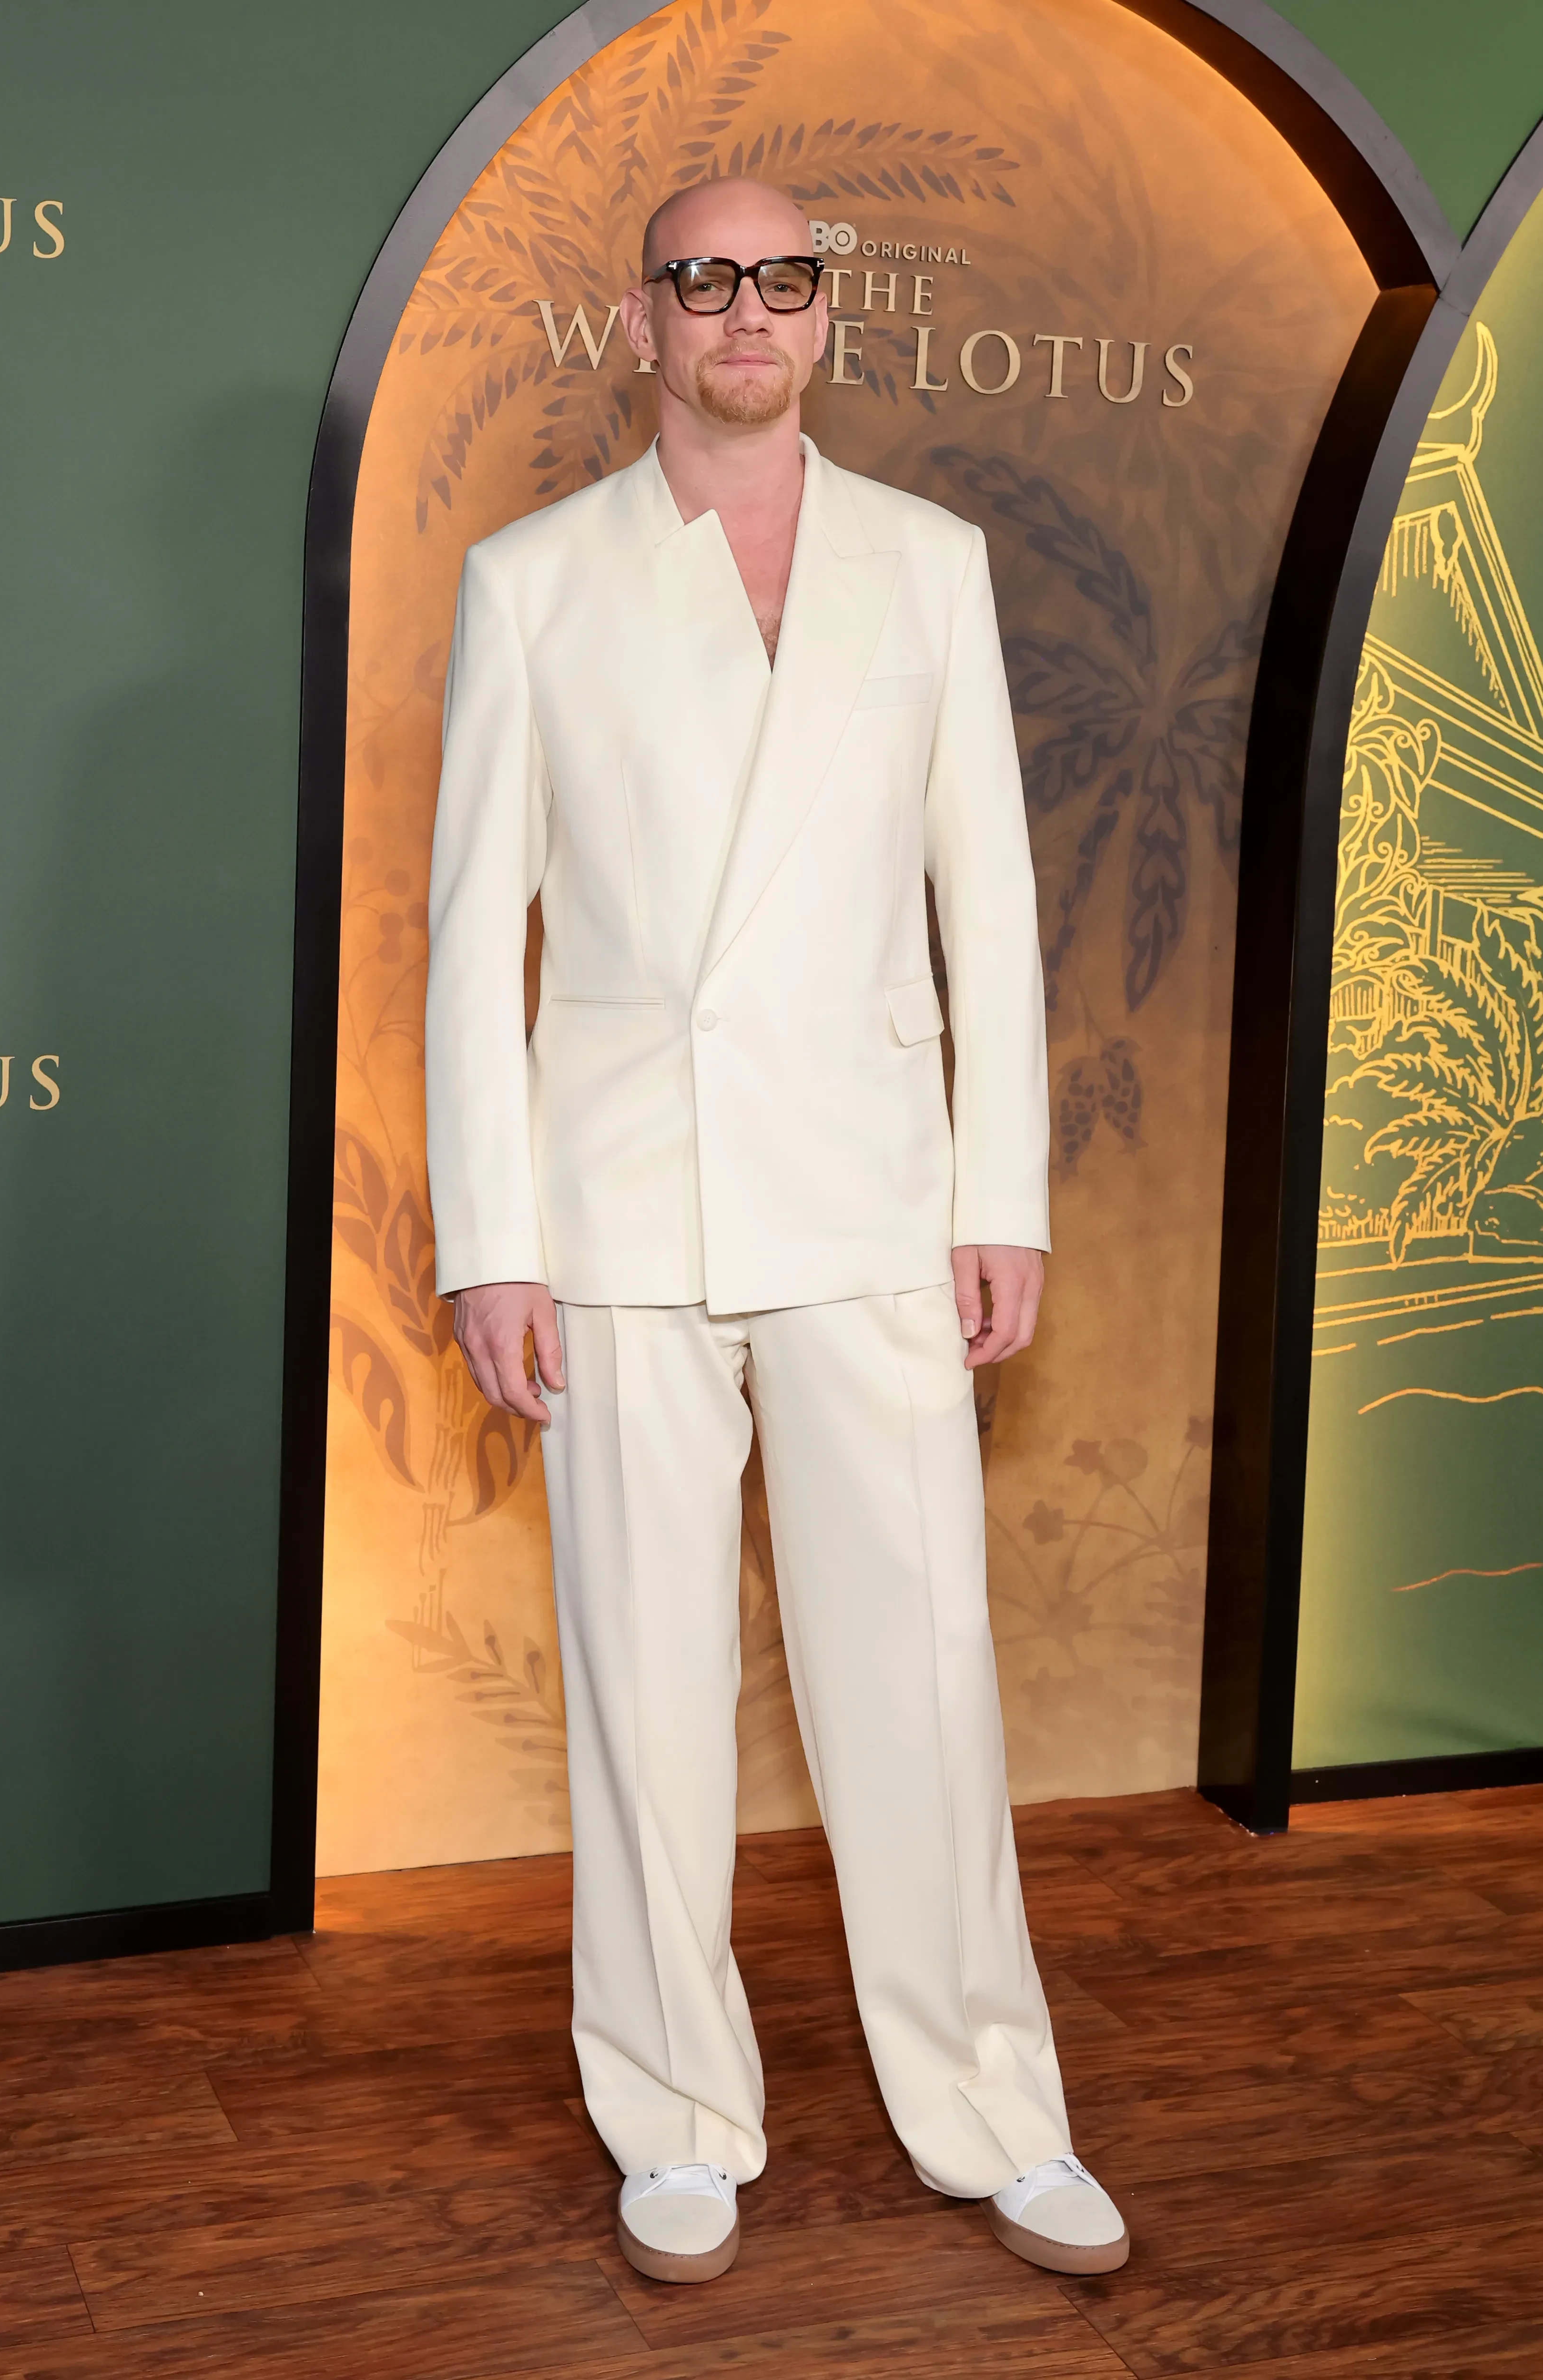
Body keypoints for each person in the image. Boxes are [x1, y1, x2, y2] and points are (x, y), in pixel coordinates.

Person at [425, 174, 1129, 2285]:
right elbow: (473, 943)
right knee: (642, 1691)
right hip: (619, 1206)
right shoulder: (530, 581)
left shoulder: (929, 562)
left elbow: (987, 896)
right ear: (643, 320)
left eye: (785, 277)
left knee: (920, 1677)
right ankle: (670, 2110)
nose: (748, 307)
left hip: (870, 1192)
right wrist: (492, 1239)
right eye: (706, 276)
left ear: (825, 315)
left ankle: (993, 2106)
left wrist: (996, 1193)